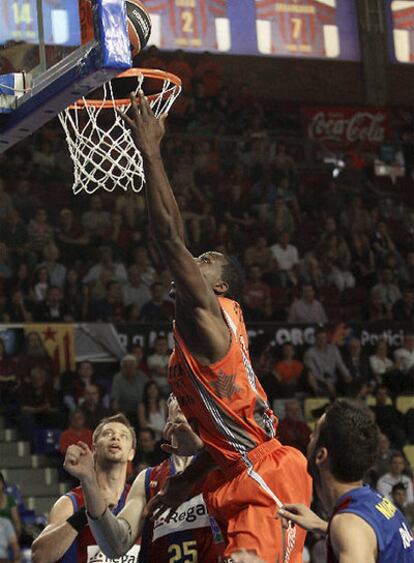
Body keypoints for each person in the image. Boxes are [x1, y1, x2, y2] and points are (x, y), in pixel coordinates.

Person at [78, 91, 312, 563]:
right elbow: (221, 441)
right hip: (231, 471)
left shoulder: (209, 316)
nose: (193, 263)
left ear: (221, 285)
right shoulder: (189, 343)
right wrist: (185, 479)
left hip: (265, 471)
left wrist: (149, 150)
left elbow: (168, 238)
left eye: (205, 261)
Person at [61, 396, 226, 562]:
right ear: (167, 425)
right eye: (176, 419)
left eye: (188, 417)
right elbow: (116, 544)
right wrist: (88, 480)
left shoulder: (225, 464)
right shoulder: (148, 479)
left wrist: (202, 448)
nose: (182, 424)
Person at [278, 400, 414, 562]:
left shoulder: (350, 526)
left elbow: (355, 533)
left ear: (321, 455)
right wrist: (323, 526)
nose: (309, 436)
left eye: (314, 433)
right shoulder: (375, 501)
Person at [31, 414, 138, 563]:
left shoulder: (139, 499)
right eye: (108, 434)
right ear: (94, 448)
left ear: (131, 453)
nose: (115, 438)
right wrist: (85, 513)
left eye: (123, 436)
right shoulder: (71, 502)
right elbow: (40, 556)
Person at [0, 473, 21, 538]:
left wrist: (17, 535)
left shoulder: (10, 499)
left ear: (3, 484)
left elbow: (16, 521)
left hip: (8, 533)